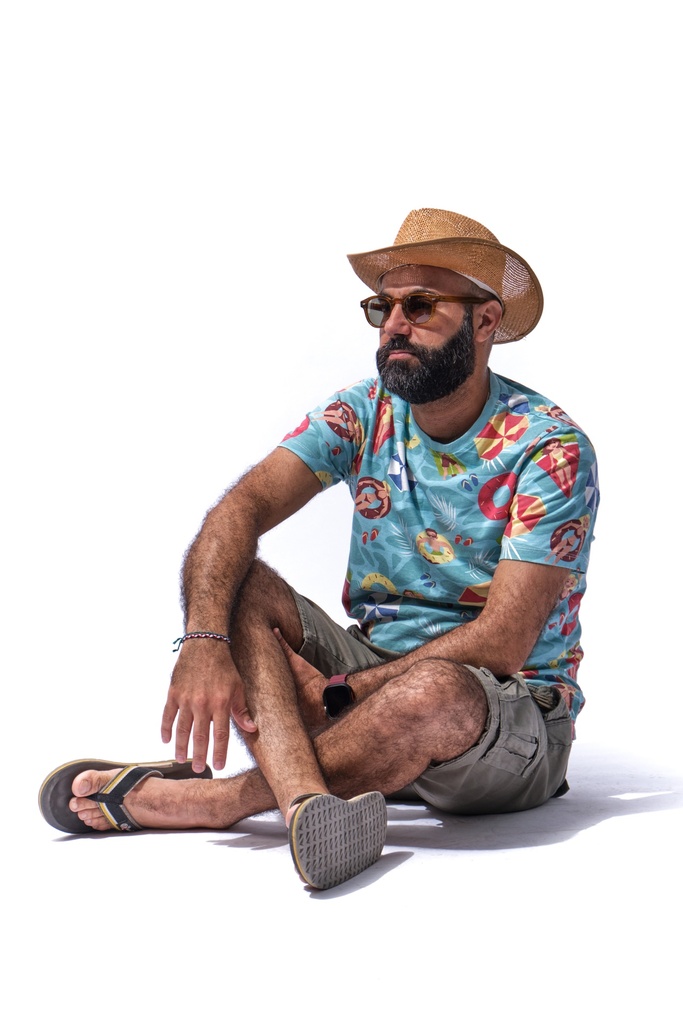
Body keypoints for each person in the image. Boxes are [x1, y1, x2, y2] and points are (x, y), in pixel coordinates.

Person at [39, 208, 600, 890]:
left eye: (420, 305)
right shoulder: (361, 413)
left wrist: (342, 693)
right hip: (374, 681)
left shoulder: (548, 447)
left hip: (507, 720)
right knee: (237, 580)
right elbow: (239, 509)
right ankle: (308, 801)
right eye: (382, 306)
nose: (394, 324)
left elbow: (503, 642)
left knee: (432, 694)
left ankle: (219, 802)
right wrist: (204, 638)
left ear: (484, 322)